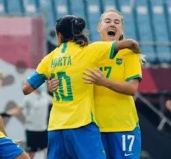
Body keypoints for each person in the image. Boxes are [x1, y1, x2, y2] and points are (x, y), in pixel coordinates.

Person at [22, 15, 141, 159]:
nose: (112, 25)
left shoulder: (50, 58)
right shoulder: (91, 51)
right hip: (82, 124)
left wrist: (50, 84)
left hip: (56, 126)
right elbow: (130, 43)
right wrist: (136, 47)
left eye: (117, 22)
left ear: (59, 35)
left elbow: (26, 89)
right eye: (108, 21)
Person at [7, 84, 51, 159]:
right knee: (31, 153)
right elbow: (19, 109)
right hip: (31, 130)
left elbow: (54, 102)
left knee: (46, 150)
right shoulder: (28, 97)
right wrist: (6, 113)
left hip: (43, 129)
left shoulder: (45, 96)